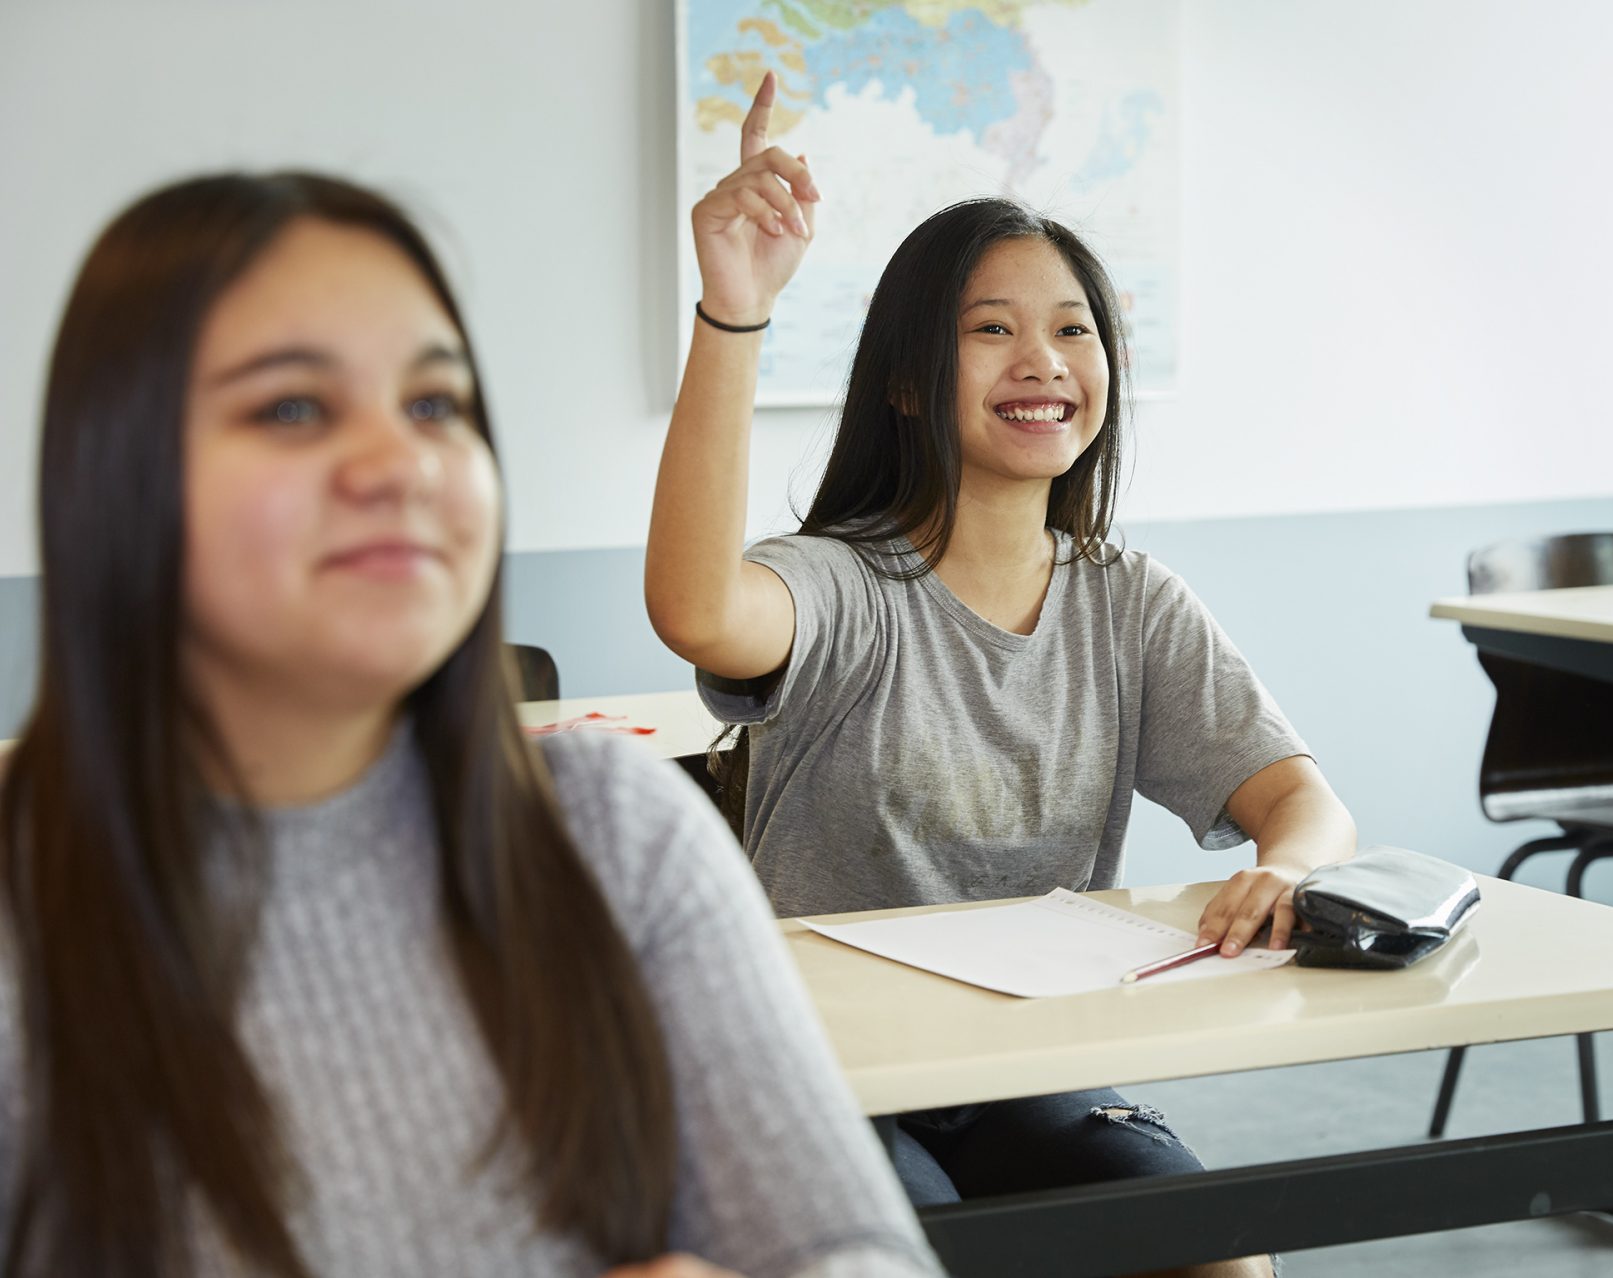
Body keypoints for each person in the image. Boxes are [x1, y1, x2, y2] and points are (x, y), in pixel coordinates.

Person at [0, 171, 943, 1278]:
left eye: (434, 406)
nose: (400, 464)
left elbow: (856, 1250)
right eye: (292, 407)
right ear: (120, 477)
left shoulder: (615, 836)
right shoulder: (32, 898)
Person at [646, 75, 1356, 1278]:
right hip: (824, 1071)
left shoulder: (1127, 598)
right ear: (911, 380)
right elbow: (697, 610)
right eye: (990, 328)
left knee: (1227, 1264)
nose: (1043, 359)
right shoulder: (838, 584)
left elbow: (1304, 804)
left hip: (1032, 1069)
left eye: (1073, 328)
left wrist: (1284, 866)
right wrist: (733, 312)